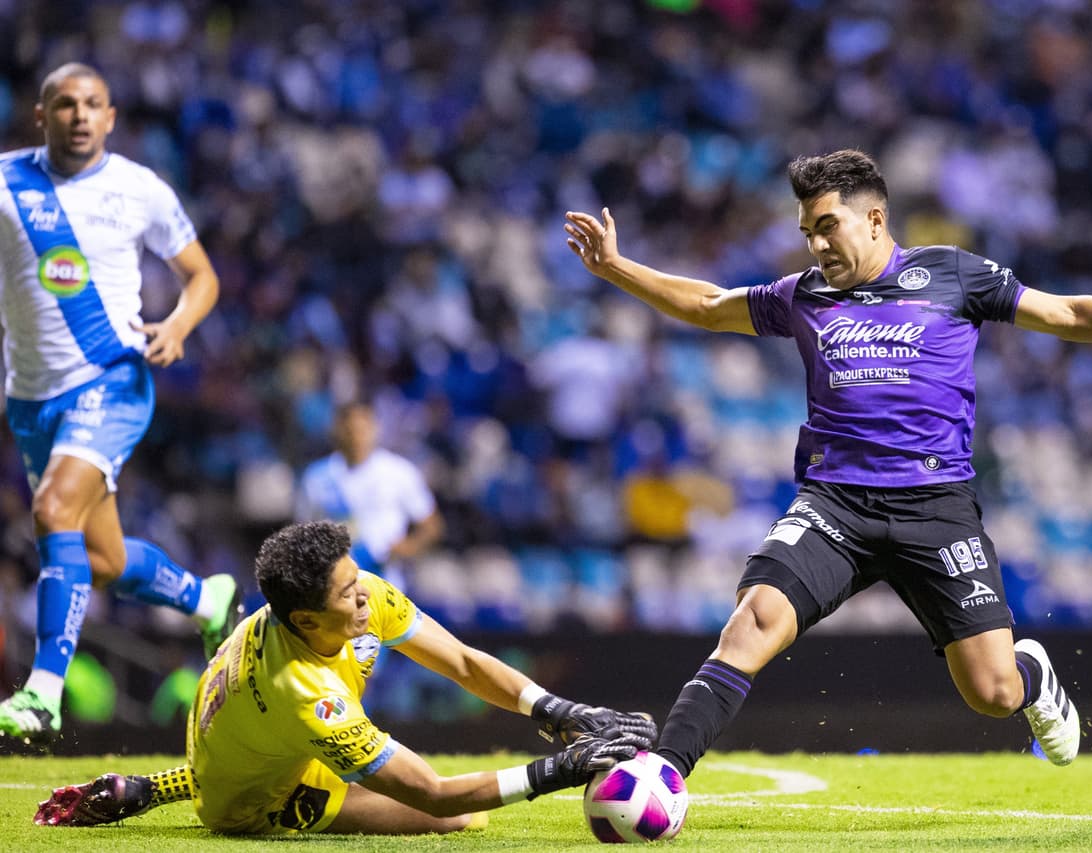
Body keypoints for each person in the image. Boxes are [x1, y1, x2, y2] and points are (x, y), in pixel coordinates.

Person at [563, 148, 1092, 775]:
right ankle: (663, 771)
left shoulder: (953, 274)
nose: (816, 244)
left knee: (992, 690)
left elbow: (1065, 312)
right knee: (752, 621)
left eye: (827, 226)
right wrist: (616, 267)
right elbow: (710, 306)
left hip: (937, 507)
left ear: (875, 218)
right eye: (807, 232)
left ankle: (1030, 675)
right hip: (835, 505)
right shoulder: (804, 295)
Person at [34, 520, 657, 834]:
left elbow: (463, 661)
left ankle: (155, 786)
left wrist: (555, 710)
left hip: (235, 733)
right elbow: (434, 796)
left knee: (296, 745)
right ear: (306, 617)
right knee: (461, 821)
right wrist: (562, 769)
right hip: (251, 797)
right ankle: (190, 792)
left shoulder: (353, 599)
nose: (366, 599)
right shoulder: (308, 696)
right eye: (348, 593)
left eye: (359, 580)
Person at [0, 63, 241, 745]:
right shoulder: (6, 183)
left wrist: (178, 325)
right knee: (98, 558)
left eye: (93, 104)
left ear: (111, 117)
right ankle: (204, 597)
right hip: (31, 397)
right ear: (41, 116)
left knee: (51, 509)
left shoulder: (139, 189)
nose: (80, 114)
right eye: (65, 104)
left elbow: (201, 276)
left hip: (113, 381)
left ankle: (41, 695)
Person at [296, 401, 444, 590]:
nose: (356, 437)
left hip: (385, 584)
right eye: (350, 430)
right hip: (335, 587)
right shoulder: (317, 477)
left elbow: (432, 525)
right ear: (337, 431)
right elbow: (302, 531)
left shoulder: (398, 471)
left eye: (362, 430)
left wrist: (408, 547)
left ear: (375, 429)